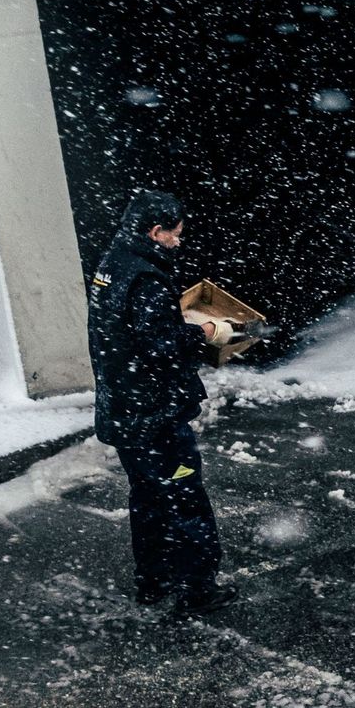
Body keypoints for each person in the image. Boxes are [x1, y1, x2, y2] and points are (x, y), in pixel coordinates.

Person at [87, 191, 239, 615]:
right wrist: (206, 330)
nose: (178, 242)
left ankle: (153, 581)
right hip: (154, 414)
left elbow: (130, 333)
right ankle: (198, 589)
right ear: (155, 232)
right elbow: (161, 346)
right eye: (174, 235)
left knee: (149, 498)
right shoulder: (147, 278)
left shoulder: (112, 265)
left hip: (124, 408)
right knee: (185, 498)